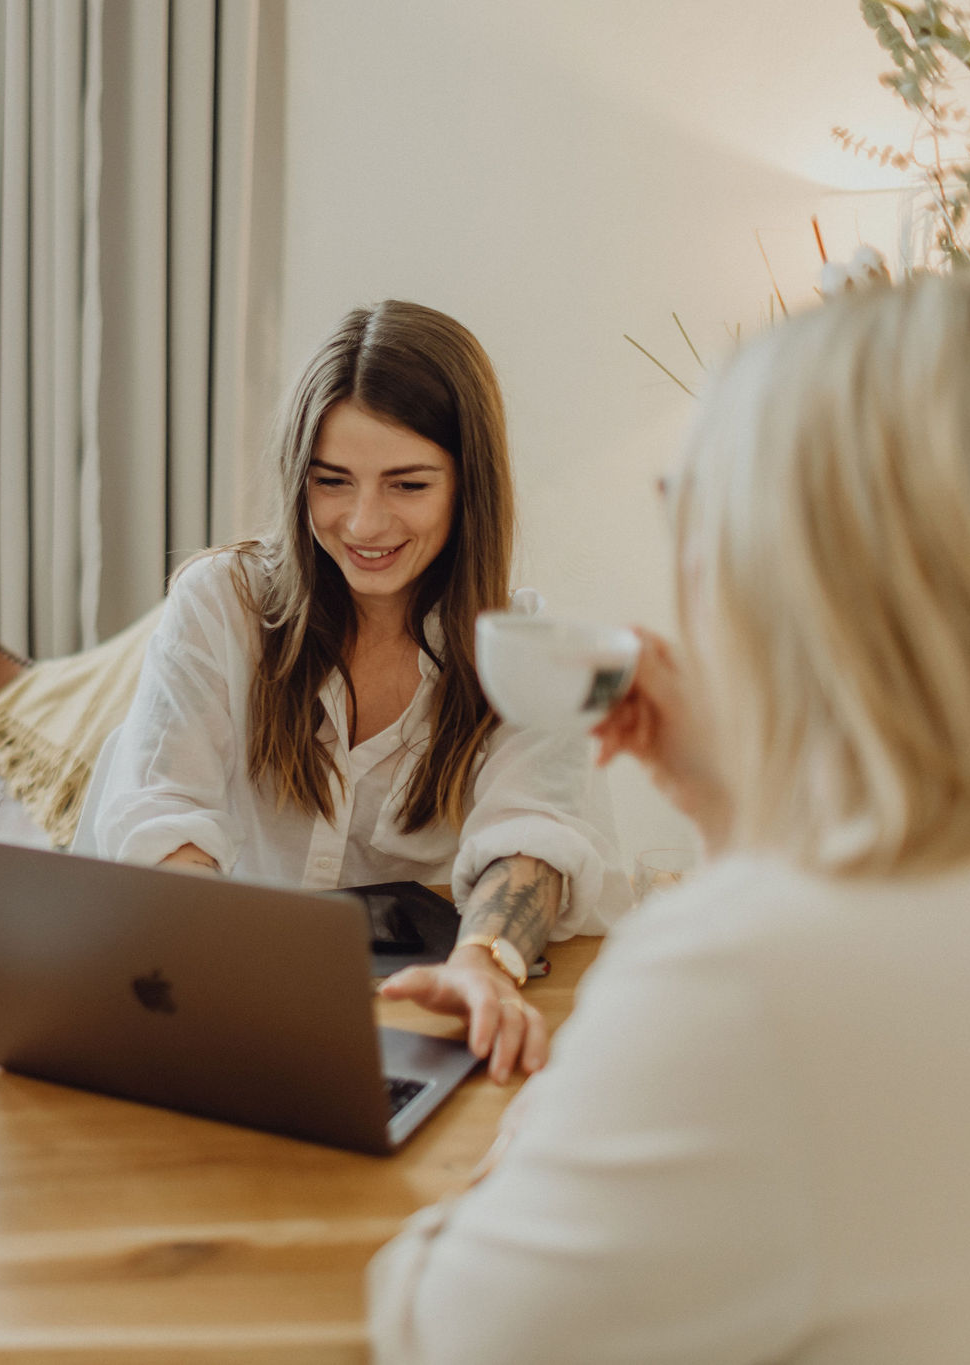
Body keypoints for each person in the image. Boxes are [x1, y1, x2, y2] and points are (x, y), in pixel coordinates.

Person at [367, 276, 970, 1361]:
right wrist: (738, 814)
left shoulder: (741, 981)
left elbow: (444, 1330)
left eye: (684, 507)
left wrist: (535, 1132)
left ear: (766, 567)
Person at [75, 301, 628, 1081]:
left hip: (417, 1017)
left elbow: (533, 833)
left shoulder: (526, 650)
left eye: (408, 484)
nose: (364, 523)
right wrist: (216, 965)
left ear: (468, 485)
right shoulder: (220, 604)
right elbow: (164, 811)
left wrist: (483, 962)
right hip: (230, 1002)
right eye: (332, 481)